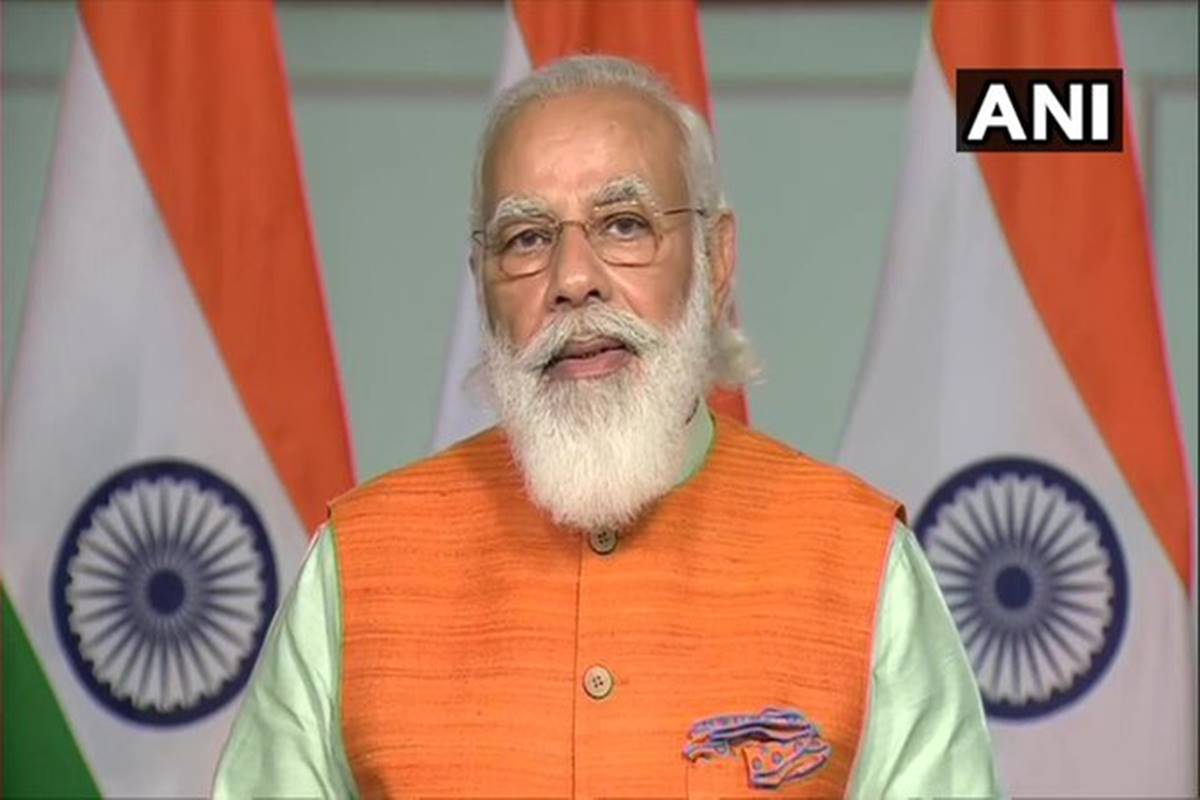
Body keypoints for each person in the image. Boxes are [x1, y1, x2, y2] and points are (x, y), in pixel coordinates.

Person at [213, 55, 1001, 799]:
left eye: (624, 224)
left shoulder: (860, 561)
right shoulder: (357, 564)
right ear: (482, 284)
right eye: (526, 239)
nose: (573, 280)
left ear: (716, 260)